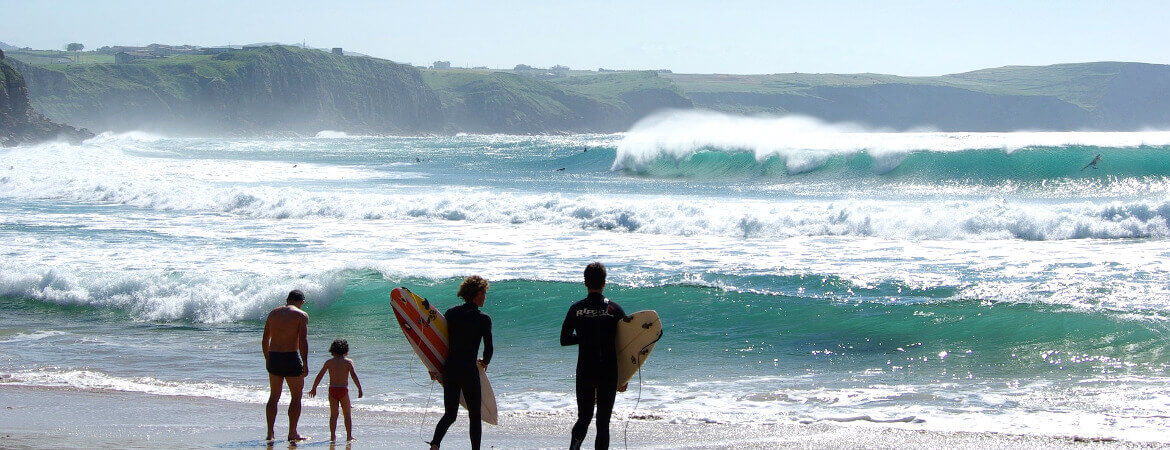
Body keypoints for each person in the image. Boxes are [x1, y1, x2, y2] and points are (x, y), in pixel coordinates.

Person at [561, 262, 628, 450]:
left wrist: (584, 337)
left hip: (585, 369)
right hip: (608, 370)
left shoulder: (576, 309)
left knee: (584, 417)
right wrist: (625, 375)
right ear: (604, 283)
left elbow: (564, 339)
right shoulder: (614, 310)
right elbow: (625, 344)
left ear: (585, 283)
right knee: (603, 422)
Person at [429, 276, 493, 450]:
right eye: (484, 293)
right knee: (474, 415)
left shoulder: (451, 313)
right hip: (468, 371)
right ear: (477, 294)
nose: (485, 297)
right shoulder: (483, 319)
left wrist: (434, 366)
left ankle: (435, 444)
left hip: (449, 369)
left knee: (450, 414)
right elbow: (489, 348)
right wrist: (485, 362)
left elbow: (441, 341)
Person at [262, 289, 310, 442]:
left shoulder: (273, 313)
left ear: (287, 298)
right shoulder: (301, 315)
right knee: (296, 397)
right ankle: (292, 433)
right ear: (301, 302)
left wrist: (267, 359)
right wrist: (305, 363)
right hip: (290, 357)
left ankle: (270, 433)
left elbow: (265, 340)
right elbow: (303, 340)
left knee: (274, 397)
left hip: (274, 357)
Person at [309, 339, 364, 442]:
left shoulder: (329, 362)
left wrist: (314, 388)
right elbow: (354, 375)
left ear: (332, 350)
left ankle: (332, 436)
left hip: (332, 390)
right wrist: (359, 388)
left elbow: (320, 375)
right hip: (343, 390)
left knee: (334, 415)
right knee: (347, 414)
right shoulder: (348, 362)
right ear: (345, 350)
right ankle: (349, 436)